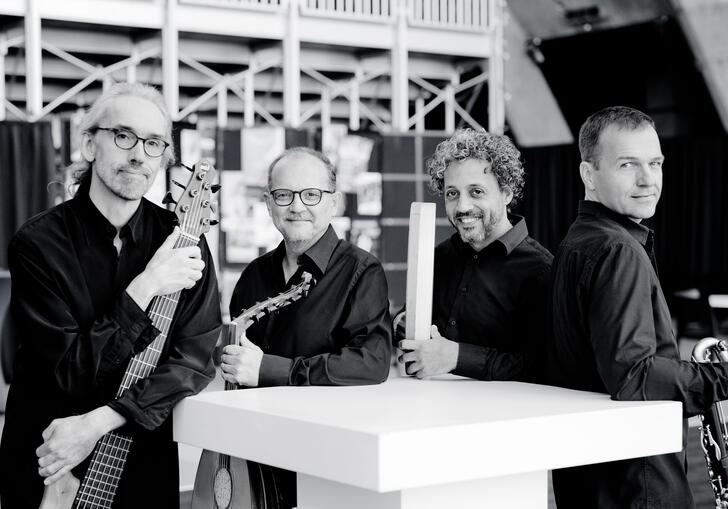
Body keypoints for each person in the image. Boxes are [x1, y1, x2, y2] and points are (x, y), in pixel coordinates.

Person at [0, 82, 222, 509]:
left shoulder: (182, 240)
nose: (139, 154)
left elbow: (193, 361)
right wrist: (146, 285)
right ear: (89, 144)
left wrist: (101, 421)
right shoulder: (38, 245)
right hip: (50, 457)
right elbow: (69, 372)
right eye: (123, 136)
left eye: (154, 143)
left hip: (142, 460)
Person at [547, 106, 728, 509]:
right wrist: (722, 377)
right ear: (588, 175)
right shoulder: (616, 250)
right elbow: (634, 376)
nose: (648, 180)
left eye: (655, 163)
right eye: (628, 164)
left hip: (589, 479)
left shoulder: (578, 241)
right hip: (636, 483)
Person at [222, 146, 391, 507]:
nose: (297, 206)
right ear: (268, 203)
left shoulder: (361, 272)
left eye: (311, 194)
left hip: (325, 460)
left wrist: (269, 369)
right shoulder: (253, 275)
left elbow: (370, 363)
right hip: (254, 453)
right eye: (284, 195)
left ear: (334, 201)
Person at [396, 128, 552, 382]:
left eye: (476, 192)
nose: (462, 207)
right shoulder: (439, 257)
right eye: (452, 194)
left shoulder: (540, 270)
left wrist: (456, 357)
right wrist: (401, 324)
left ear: (506, 193)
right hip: (430, 413)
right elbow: (409, 326)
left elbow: (542, 366)